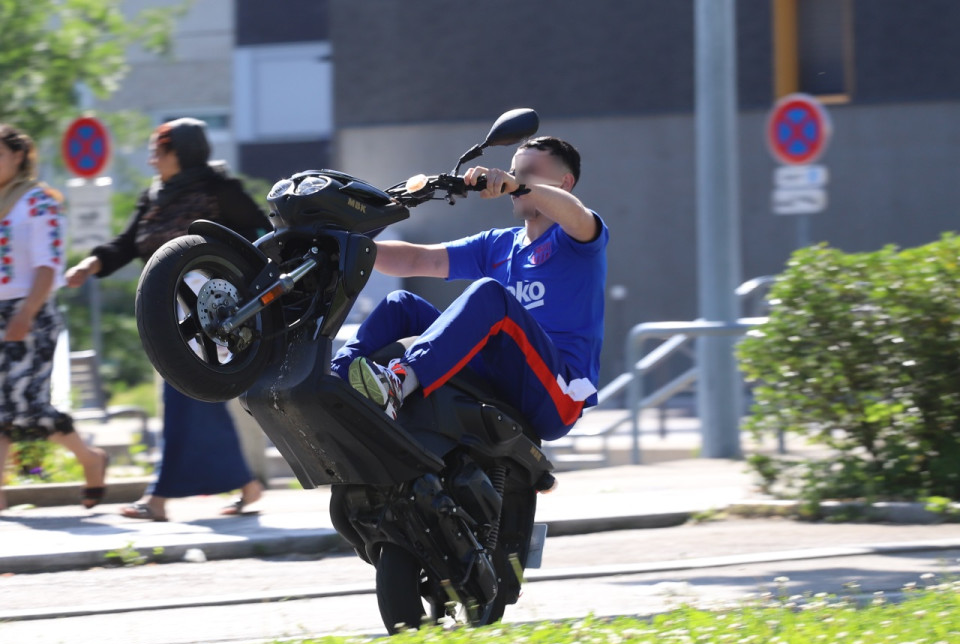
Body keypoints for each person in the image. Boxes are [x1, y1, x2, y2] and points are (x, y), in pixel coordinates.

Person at [332, 135, 609, 444]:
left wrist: (517, 186)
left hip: (558, 395)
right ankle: (335, 381)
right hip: (498, 374)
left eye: (528, 172)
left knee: (489, 295)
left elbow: (576, 213)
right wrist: (346, 248)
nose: (515, 180)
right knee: (401, 305)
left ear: (565, 182)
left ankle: (401, 380)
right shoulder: (499, 244)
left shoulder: (581, 237)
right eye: (514, 172)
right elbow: (416, 259)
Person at [65, 118, 270, 521]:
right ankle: (246, 484)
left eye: (159, 150)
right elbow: (127, 244)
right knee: (195, 399)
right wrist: (92, 263)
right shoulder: (155, 196)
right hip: (165, 316)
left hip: (208, 315)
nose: (151, 158)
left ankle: (158, 499)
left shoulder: (219, 190)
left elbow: (259, 234)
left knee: (182, 397)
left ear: (183, 153)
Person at [0, 124, 109, 512]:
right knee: (4, 407)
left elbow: (48, 265)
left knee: (28, 408)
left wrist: (26, 313)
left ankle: (90, 459)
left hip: (30, 312)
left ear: (18, 156)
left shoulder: (39, 201)